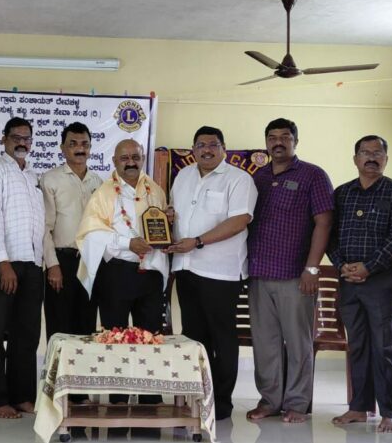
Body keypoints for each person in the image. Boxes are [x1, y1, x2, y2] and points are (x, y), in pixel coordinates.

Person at [244, 118, 334, 424]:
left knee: (298, 343)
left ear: (296, 141)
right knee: (265, 343)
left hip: (296, 275)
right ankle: (270, 401)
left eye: (285, 137)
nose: (278, 142)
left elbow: (324, 222)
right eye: (272, 137)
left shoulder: (312, 175)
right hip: (259, 273)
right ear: (266, 143)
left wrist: (313, 268)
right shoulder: (257, 177)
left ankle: (297, 403)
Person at [166, 126, 257, 421]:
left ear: (223, 148)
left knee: (222, 337)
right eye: (201, 145)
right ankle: (197, 396)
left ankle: (221, 402)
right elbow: (176, 214)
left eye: (213, 145)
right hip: (185, 267)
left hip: (221, 272)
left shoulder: (239, 179)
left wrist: (198, 241)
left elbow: (240, 220)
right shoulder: (183, 176)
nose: (206, 150)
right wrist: (168, 218)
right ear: (193, 149)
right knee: (194, 337)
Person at [328, 135, 392, 433]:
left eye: (378, 153)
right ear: (355, 159)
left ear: (386, 159)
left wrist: (368, 267)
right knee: (358, 344)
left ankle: (389, 411)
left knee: (384, 345)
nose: (372, 158)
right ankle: (358, 407)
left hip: (381, 282)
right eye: (365, 152)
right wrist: (341, 265)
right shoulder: (342, 193)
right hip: (348, 280)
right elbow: (330, 235)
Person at [76, 139, 168, 407]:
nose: (131, 162)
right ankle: (118, 398)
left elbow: (160, 226)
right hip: (117, 274)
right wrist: (128, 243)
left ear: (143, 159)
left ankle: (150, 399)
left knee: (150, 336)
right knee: (116, 337)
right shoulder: (103, 194)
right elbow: (90, 233)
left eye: (135, 157)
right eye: (124, 158)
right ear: (115, 161)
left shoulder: (155, 190)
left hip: (150, 272)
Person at [0, 117, 46, 419]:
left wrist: (42, 262)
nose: (22, 142)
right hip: (2, 263)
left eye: (27, 138)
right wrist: (3, 261)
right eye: (16, 137)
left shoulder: (32, 175)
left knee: (27, 333)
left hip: (32, 262)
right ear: (3, 138)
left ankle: (22, 396)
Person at [41, 122, 103, 342]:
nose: (80, 148)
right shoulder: (50, 179)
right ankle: (57, 366)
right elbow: (44, 228)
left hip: (89, 262)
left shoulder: (98, 181)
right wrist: (52, 265)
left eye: (85, 144)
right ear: (62, 148)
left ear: (90, 148)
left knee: (86, 327)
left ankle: (83, 367)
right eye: (73, 144)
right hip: (61, 262)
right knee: (60, 328)